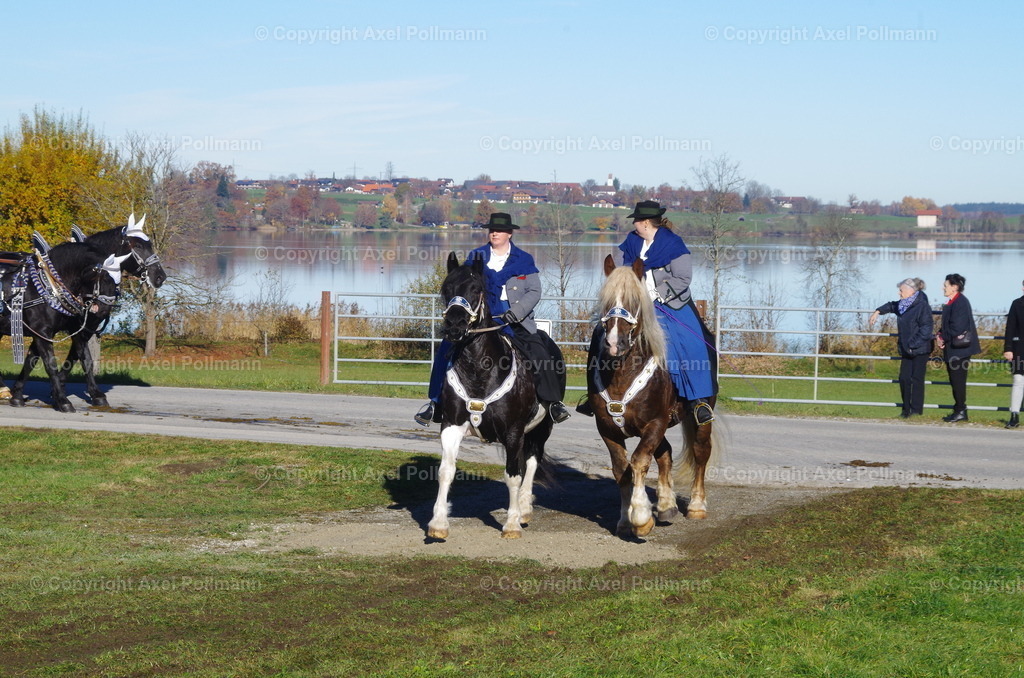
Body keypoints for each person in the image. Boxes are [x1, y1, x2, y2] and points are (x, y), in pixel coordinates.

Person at [415, 212, 569, 426]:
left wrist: (516, 312)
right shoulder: (475, 257)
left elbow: (534, 291)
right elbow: (463, 287)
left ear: (509, 233)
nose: (494, 233)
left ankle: (553, 403)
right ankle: (435, 403)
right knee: (446, 349)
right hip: (481, 317)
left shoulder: (524, 259)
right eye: (492, 230)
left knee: (539, 351)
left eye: (499, 230)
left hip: (515, 318)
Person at [578, 200, 716, 425]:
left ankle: (698, 400)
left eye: (636, 220)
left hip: (669, 303)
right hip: (634, 304)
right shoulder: (631, 241)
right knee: (600, 333)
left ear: (645, 222)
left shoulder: (674, 244)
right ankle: (593, 394)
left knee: (690, 341)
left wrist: (656, 293)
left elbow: (683, 278)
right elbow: (620, 271)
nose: (634, 224)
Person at [868, 278, 933, 418]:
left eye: (901, 290)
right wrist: (878, 311)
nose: (899, 293)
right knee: (904, 378)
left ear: (911, 291)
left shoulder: (922, 306)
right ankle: (906, 410)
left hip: (920, 349)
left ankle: (916, 412)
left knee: (917, 380)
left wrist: (912, 344)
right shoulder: (903, 305)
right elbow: (891, 305)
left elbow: (926, 329)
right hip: (907, 349)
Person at [936, 273, 981, 423]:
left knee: (958, 381)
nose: (943, 288)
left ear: (954, 287)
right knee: (955, 380)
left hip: (960, 350)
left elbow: (957, 327)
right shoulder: (953, 301)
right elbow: (948, 325)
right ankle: (959, 409)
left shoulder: (960, 302)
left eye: (945, 285)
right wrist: (940, 334)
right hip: (954, 349)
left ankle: (961, 410)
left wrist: (942, 337)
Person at [1002, 280, 1024, 428]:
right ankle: (1014, 415)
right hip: (1019, 348)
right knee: (1018, 380)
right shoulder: (1017, 304)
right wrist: (1008, 348)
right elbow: (1010, 327)